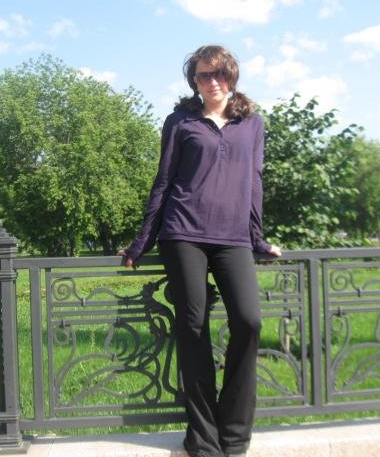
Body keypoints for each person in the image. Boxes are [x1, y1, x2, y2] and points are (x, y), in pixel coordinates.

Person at [119, 44, 281, 457]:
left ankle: (234, 433)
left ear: (232, 77)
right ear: (194, 80)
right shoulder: (180, 121)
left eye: (219, 74)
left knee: (248, 321)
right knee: (193, 327)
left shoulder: (252, 124)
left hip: (233, 238)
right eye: (204, 75)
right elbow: (163, 181)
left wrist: (258, 238)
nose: (212, 82)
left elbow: (255, 182)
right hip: (184, 233)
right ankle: (203, 439)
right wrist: (143, 240)